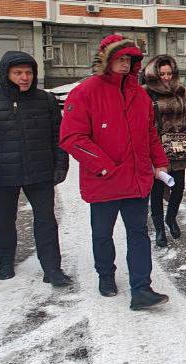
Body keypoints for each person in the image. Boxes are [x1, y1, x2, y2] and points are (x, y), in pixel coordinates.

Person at [60, 35, 172, 310]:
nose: (124, 64)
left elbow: (150, 133)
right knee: (102, 233)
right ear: (106, 59)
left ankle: (141, 288)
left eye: (129, 60)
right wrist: (104, 166)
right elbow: (72, 138)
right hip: (105, 180)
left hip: (136, 180)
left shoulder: (140, 95)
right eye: (119, 58)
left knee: (138, 233)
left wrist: (159, 163)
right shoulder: (85, 92)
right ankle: (106, 275)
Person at [0, 51, 71, 287]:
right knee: (4, 220)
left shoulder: (46, 101)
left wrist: (60, 165)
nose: (24, 77)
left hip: (40, 172)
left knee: (46, 221)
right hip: (3, 173)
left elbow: (58, 137)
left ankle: (52, 268)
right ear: (6, 74)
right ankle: (5, 261)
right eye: (18, 73)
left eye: (29, 72)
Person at [142, 54, 186, 249]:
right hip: (156, 152)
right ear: (154, 74)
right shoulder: (145, 93)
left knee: (178, 188)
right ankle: (159, 229)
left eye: (169, 73)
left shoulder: (181, 91)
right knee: (156, 192)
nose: (166, 77)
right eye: (162, 74)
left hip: (178, 150)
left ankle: (171, 218)